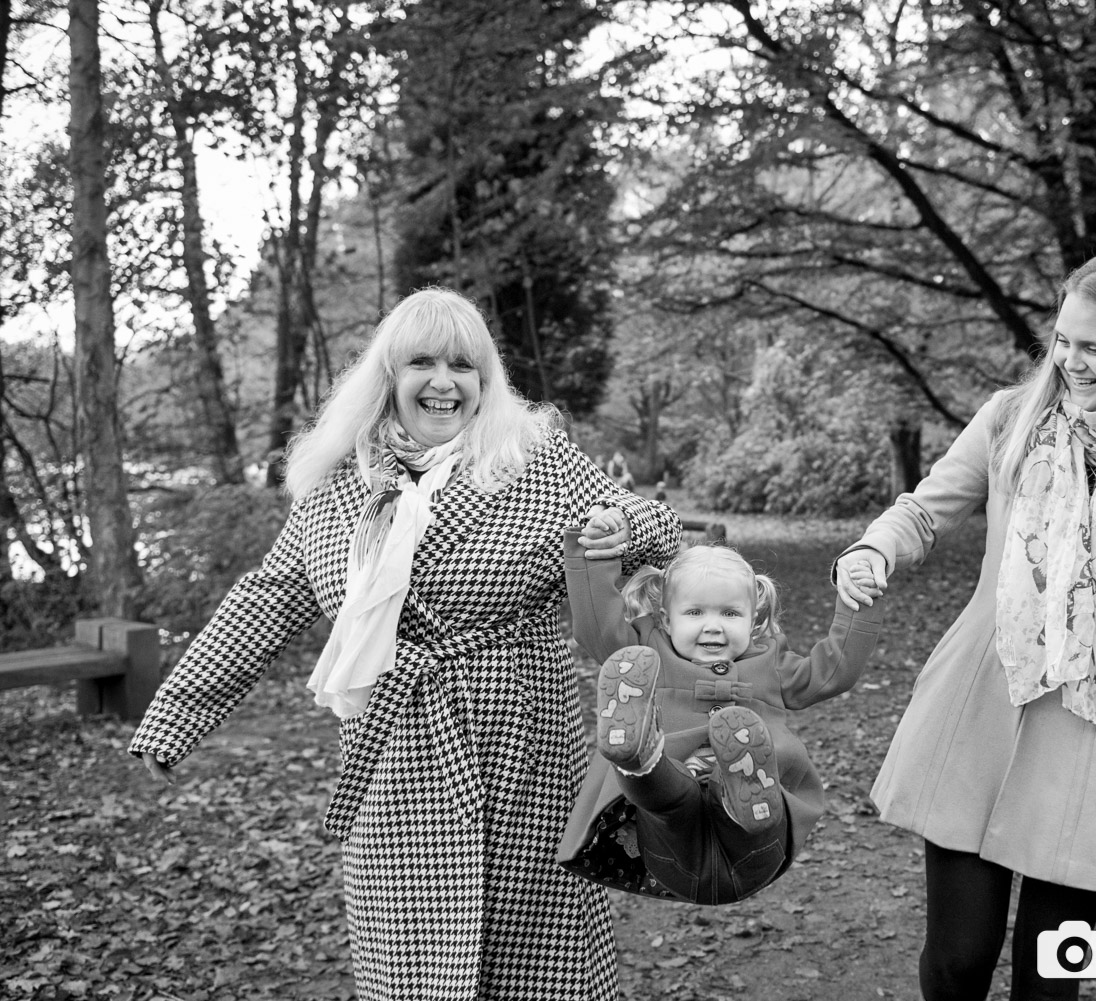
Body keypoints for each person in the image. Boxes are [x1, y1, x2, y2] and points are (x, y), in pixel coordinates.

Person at [128, 288, 681, 1000]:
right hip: (398, 769)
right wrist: (177, 713)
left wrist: (624, 529)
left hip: (528, 756)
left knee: (545, 967)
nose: (444, 381)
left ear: (487, 380)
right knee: (413, 969)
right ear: (389, 376)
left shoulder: (538, 461)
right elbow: (267, 598)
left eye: (464, 364)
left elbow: (658, 527)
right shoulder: (336, 489)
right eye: (422, 362)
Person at [833, 249, 1096, 1001]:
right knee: (958, 958)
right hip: (982, 706)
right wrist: (873, 547)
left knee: (1050, 978)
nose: (1069, 361)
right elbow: (926, 508)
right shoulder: (1011, 417)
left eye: (1095, 348)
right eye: (1062, 340)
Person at [557, 517, 884, 904]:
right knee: (670, 801)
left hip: (756, 850)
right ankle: (640, 756)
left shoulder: (771, 663)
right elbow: (596, 625)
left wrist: (858, 602)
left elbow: (834, 671)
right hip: (669, 854)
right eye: (695, 613)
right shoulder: (647, 652)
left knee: (744, 811)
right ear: (665, 619)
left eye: (730, 614)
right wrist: (595, 553)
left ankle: (735, 784)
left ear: (753, 618)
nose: (713, 627)